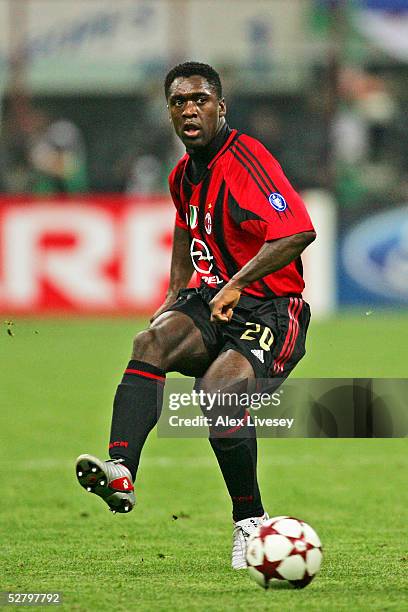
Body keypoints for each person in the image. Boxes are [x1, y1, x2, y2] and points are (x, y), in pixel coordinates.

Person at [75, 62, 316, 570]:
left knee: (218, 392)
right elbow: (186, 224)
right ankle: (120, 469)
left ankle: (250, 521)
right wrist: (173, 290)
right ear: (169, 112)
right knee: (149, 343)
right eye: (180, 101)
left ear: (220, 107)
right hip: (213, 300)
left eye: (201, 99)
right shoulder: (182, 175)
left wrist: (235, 284)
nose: (190, 108)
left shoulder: (247, 159)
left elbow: (297, 232)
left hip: (273, 310)